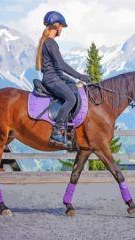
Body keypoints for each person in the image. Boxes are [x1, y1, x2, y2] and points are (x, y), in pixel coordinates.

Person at [35, 11, 90, 145]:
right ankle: (57, 131)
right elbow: (61, 64)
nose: (62, 30)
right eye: (61, 27)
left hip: (56, 76)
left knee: (74, 89)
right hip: (52, 79)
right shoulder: (50, 43)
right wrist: (80, 76)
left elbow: (57, 67)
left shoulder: (47, 42)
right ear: (57, 25)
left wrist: (73, 81)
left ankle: (70, 127)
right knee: (70, 98)